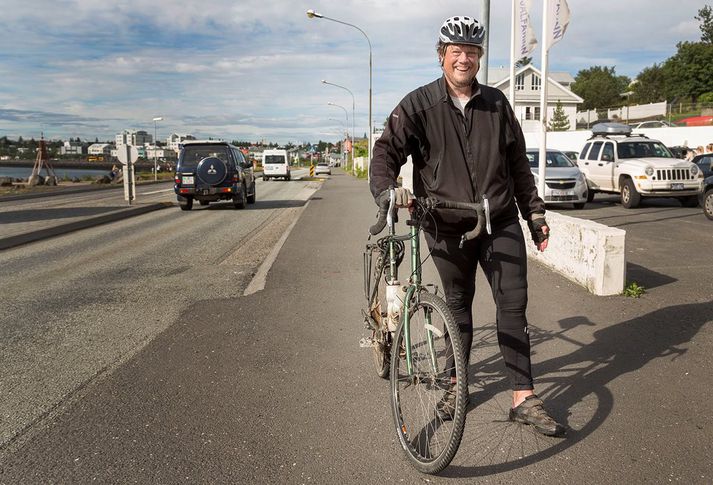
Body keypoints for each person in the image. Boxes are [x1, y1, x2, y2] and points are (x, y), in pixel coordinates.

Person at [369, 15, 564, 437]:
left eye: (471, 52)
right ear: (442, 56)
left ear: (479, 58)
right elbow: (386, 153)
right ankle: (457, 387)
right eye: (455, 51)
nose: (464, 59)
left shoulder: (497, 103)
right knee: (457, 305)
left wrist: (535, 214)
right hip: (445, 224)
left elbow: (518, 165)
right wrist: (388, 191)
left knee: (512, 305)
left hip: (499, 221)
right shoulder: (418, 105)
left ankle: (523, 397)